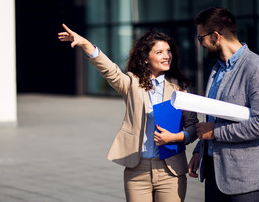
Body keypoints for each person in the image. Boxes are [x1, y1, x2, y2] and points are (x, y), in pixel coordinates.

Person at [58, 24, 198, 202]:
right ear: (146, 58)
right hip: (137, 170)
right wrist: (86, 44)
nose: (166, 56)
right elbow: (110, 71)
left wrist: (176, 137)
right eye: (160, 52)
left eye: (168, 51)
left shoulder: (180, 89)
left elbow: (193, 127)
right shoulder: (132, 84)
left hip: (170, 171)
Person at [188, 7, 259, 202]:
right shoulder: (216, 69)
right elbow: (212, 117)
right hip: (214, 174)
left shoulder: (256, 67)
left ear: (216, 36)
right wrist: (199, 150)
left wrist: (216, 132)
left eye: (201, 38)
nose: (201, 44)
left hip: (244, 180)